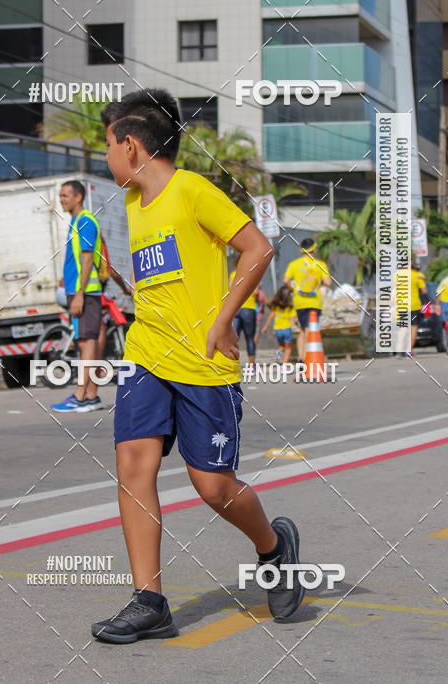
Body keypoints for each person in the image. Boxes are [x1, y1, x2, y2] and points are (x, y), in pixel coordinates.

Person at [91, 88, 305, 644]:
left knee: (212, 487)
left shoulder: (193, 191)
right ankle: (150, 601)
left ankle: (274, 547)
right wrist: (120, 278)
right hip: (146, 355)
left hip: (204, 364)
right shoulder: (135, 208)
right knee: (134, 466)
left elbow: (257, 248)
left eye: (108, 145)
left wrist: (222, 320)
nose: (106, 157)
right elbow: (167, 282)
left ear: (131, 146)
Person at [51, 180, 105, 413]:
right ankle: (91, 395)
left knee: (86, 342)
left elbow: (85, 259)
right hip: (80, 290)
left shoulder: (84, 221)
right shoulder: (76, 221)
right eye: (61, 195)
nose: (62, 199)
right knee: (90, 340)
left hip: (86, 292)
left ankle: (80, 396)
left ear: (78, 197)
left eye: (65, 195)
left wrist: (80, 294)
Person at [283, 238, 331, 361]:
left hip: (299, 302)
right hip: (314, 302)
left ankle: (301, 358)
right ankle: (309, 358)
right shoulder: (320, 264)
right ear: (314, 249)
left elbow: (286, 281)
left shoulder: (294, 264)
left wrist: (293, 289)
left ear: (301, 250)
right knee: (311, 329)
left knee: (303, 329)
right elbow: (328, 282)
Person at [230, 255, 259, 369]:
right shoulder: (253, 272)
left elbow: (230, 291)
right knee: (250, 338)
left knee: (234, 337)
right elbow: (256, 292)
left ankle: (233, 365)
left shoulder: (233, 274)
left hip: (236, 309)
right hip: (249, 309)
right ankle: (252, 366)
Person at [395, 258, 427, 358]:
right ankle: (409, 351)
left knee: (403, 328)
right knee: (413, 328)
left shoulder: (397, 275)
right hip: (413, 305)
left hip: (401, 305)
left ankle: (399, 352)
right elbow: (424, 291)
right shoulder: (417, 275)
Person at [261, 286, 296, 364]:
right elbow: (294, 319)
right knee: (288, 348)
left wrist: (265, 327)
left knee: (281, 346)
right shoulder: (290, 307)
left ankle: (278, 355)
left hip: (278, 330)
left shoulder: (276, 307)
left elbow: (270, 317)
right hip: (287, 329)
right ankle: (284, 364)